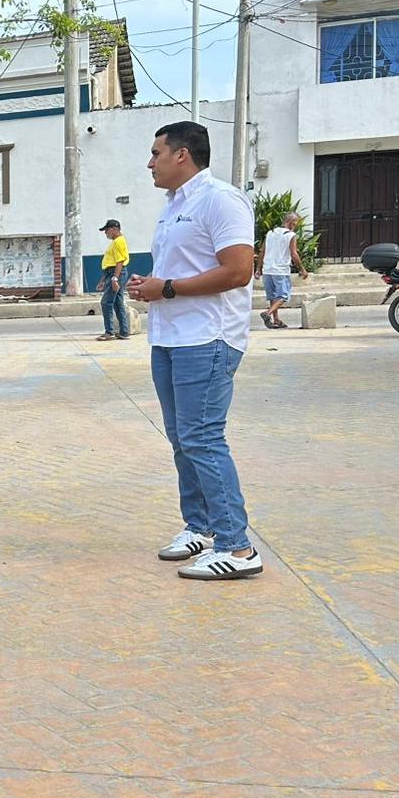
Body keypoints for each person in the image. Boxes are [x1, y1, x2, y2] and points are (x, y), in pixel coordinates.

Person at [127, 121, 260, 580]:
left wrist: (166, 289)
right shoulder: (172, 207)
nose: (150, 162)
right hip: (169, 338)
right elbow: (178, 274)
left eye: (156, 153)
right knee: (183, 440)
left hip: (207, 338)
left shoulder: (220, 199)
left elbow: (239, 271)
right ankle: (200, 528)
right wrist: (151, 285)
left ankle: (238, 547)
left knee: (203, 438)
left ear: (182, 155)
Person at [260, 213, 307, 329]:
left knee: (272, 296)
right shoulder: (291, 235)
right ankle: (267, 313)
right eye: (295, 223)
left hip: (267, 270)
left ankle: (276, 320)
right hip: (280, 271)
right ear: (291, 222)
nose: (295, 226)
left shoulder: (270, 232)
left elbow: (262, 251)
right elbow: (294, 254)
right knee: (283, 296)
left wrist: (258, 269)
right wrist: (302, 269)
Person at [97, 218, 131, 341]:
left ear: (113, 229)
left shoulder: (118, 241)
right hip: (111, 273)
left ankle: (109, 331)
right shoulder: (116, 241)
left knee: (106, 302)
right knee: (117, 302)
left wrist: (115, 278)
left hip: (116, 273)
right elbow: (109, 263)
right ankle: (124, 331)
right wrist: (102, 280)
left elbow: (119, 262)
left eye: (106, 230)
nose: (105, 233)